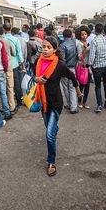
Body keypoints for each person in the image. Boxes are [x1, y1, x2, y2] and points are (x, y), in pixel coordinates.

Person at [34, 36, 82, 177]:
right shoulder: (38, 61)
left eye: (49, 47)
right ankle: (54, 128)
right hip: (43, 103)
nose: (46, 50)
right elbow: (33, 75)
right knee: (49, 127)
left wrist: (78, 91)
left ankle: (51, 162)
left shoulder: (59, 65)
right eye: (44, 47)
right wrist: (35, 79)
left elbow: (72, 76)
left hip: (55, 103)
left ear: (55, 49)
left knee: (49, 135)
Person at [88, 24, 106, 113]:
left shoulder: (94, 41)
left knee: (98, 86)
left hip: (97, 67)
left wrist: (90, 65)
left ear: (95, 30)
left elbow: (92, 56)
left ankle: (99, 105)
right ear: (102, 30)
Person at [3, 22, 25, 110]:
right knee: (16, 83)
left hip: (4, 65)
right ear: (10, 29)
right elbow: (19, 53)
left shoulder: (2, 39)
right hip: (14, 64)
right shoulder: (15, 39)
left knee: (7, 85)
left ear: (4, 29)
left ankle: (9, 103)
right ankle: (19, 101)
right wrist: (22, 64)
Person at [0, 25, 17, 112]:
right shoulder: (8, 41)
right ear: (3, 32)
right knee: (10, 88)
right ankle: (11, 106)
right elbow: (14, 53)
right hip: (8, 67)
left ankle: (1, 107)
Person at [59, 29, 79, 113]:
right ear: (71, 35)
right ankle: (73, 107)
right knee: (72, 87)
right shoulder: (75, 44)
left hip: (64, 69)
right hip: (72, 68)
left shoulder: (62, 45)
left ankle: (68, 104)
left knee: (65, 87)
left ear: (63, 36)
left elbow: (62, 59)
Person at [75, 25, 91, 109]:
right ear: (79, 35)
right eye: (82, 35)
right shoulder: (79, 44)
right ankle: (79, 101)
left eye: (85, 34)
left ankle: (85, 102)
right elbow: (80, 57)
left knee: (88, 86)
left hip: (88, 67)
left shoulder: (88, 42)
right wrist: (85, 49)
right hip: (81, 66)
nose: (84, 36)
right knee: (81, 85)